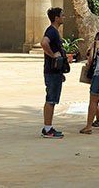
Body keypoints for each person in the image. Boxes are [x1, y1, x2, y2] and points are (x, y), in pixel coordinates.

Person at [40, 7, 66, 139]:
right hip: (51, 71)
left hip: (54, 71)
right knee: (51, 99)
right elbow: (43, 43)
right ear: (56, 18)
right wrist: (53, 55)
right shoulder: (52, 31)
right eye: (62, 15)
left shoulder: (54, 31)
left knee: (52, 99)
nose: (64, 17)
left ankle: (48, 127)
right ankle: (47, 129)